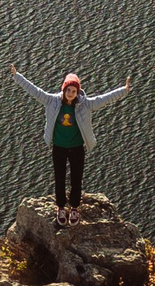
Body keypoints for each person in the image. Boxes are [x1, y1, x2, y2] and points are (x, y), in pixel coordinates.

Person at [8, 65, 132, 223]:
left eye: (74, 91)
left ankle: (74, 208)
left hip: (77, 148)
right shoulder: (52, 101)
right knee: (59, 178)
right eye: (68, 90)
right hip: (59, 147)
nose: (71, 94)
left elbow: (105, 98)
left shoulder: (85, 104)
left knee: (76, 179)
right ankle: (60, 208)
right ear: (64, 89)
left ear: (78, 92)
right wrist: (17, 76)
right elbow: (34, 90)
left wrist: (124, 90)